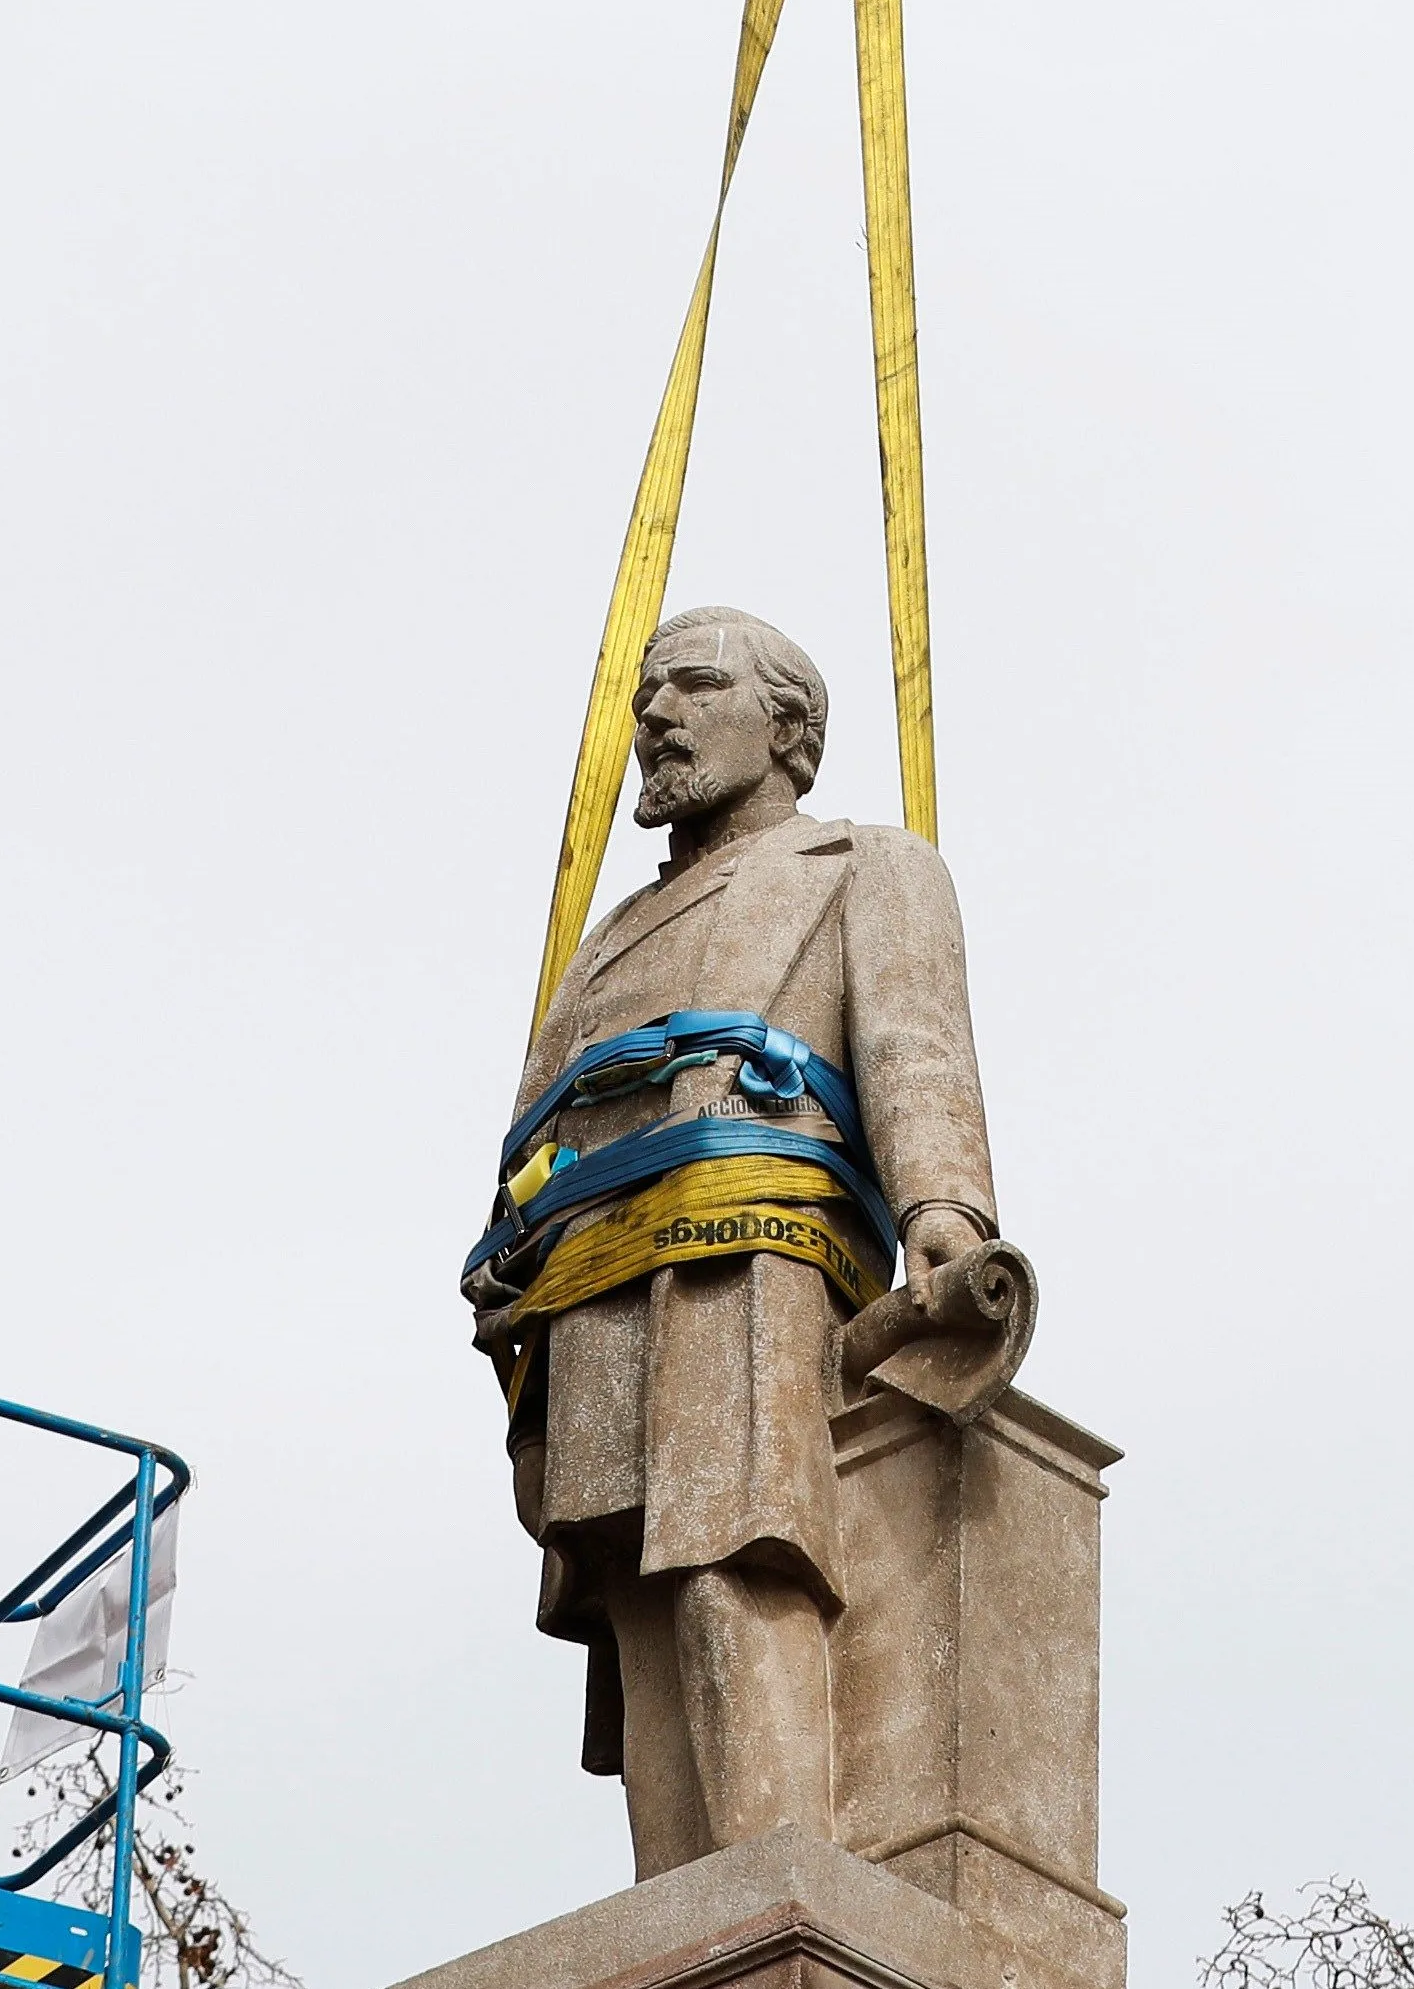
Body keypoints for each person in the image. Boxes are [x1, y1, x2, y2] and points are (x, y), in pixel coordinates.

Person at [472, 608, 998, 1876]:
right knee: (633, 1587)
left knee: (733, 1556)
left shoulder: (864, 865)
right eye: (649, 691)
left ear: (789, 728)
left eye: (695, 685)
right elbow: (549, 1103)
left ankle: (780, 1870)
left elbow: (915, 1049)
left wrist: (945, 1211)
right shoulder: (600, 942)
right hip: (595, 1281)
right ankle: (687, 1898)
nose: (657, 713)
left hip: (750, 1253)